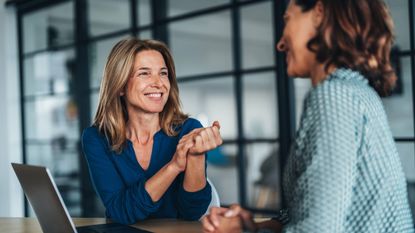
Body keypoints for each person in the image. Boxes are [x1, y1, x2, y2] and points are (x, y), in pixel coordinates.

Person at [202, 0, 415, 232]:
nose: (280, 43)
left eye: (287, 20)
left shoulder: (334, 96)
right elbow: (311, 212)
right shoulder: (355, 91)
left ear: (319, 13)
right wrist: (252, 226)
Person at [82, 38, 222, 225]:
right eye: (144, 73)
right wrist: (173, 167)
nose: (158, 83)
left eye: (163, 73)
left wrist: (196, 156)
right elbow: (120, 212)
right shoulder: (96, 138)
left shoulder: (189, 130)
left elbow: (192, 212)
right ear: (121, 85)